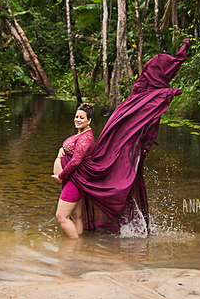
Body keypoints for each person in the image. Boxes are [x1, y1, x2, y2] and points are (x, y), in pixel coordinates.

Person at [62, 38, 192, 235]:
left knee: (115, 173)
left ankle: (81, 242)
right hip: (117, 137)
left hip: (120, 141)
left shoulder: (144, 95)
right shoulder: (139, 92)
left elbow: (154, 96)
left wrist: (168, 92)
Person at [52, 104, 94, 239]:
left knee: (61, 216)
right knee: (76, 216)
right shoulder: (81, 134)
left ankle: (74, 245)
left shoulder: (85, 138)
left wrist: (60, 176)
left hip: (74, 182)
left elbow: (76, 161)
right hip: (73, 179)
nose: (78, 120)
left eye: (82, 118)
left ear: (89, 120)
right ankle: (80, 247)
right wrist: (62, 150)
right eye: (76, 117)